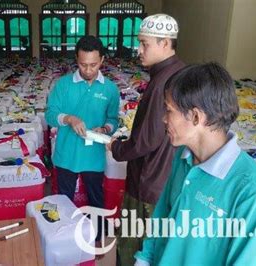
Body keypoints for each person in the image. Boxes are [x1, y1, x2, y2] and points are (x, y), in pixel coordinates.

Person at [135, 62, 256, 265]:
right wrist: (144, 259)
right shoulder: (183, 156)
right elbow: (163, 215)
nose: (163, 118)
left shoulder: (254, 194)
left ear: (196, 117)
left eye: (168, 110)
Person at [106, 14, 185, 265]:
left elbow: (146, 140)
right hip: (165, 176)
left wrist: (117, 147)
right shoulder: (179, 73)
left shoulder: (164, 81)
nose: (138, 50)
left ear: (165, 44)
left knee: (133, 245)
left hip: (149, 181)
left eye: (145, 44)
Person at [45, 35, 120, 241]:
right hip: (67, 154)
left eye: (93, 65)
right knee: (64, 201)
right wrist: (69, 118)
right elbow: (50, 114)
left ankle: (98, 238)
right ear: (76, 60)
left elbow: (114, 120)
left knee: (96, 198)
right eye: (83, 64)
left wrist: (105, 128)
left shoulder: (110, 89)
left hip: (94, 156)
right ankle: (64, 239)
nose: (88, 70)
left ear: (102, 60)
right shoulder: (64, 85)